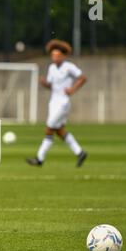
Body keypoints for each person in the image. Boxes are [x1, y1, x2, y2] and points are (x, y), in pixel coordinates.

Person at [26, 39, 88, 167]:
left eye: (58, 55)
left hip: (63, 103)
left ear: (63, 56)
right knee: (59, 131)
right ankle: (80, 152)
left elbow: (83, 78)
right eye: (53, 55)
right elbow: (52, 86)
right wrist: (44, 83)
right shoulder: (52, 68)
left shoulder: (69, 67)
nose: (55, 57)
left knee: (49, 129)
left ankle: (40, 158)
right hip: (53, 102)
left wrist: (73, 89)